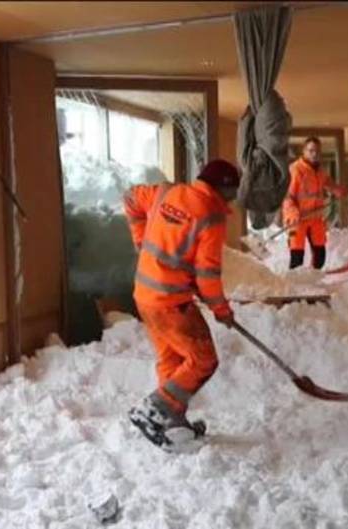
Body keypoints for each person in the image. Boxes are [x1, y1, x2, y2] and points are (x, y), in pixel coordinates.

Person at [122, 159, 240, 450]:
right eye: (234, 191)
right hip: (171, 302)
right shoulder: (211, 216)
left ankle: (172, 423)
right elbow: (208, 274)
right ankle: (153, 409)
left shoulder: (165, 192)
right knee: (203, 359)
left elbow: (130, 199)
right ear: (223, 188)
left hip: (144, 295)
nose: (234, 198)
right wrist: (221, 310)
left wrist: (141, 242)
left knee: (172, 360)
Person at [282, 137, 348, 270]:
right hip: (297, 218)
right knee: (297, 257)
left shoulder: (320, 171)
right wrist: (293, 212)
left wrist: (338, 191)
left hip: (315, 218)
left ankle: (313, 281)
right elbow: (287, 196)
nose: (314, 154)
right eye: (311, 150)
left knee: (320, 255)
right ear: (304, 151)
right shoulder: (295, 170)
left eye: (317, 151)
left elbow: (329, 184)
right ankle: (296, 285)